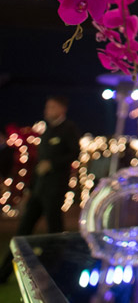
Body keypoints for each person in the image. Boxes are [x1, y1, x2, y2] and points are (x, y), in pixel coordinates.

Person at [0, 95, 80, 283]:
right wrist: (30, 188)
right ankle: (4, 273)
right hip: (39, 190)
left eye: (51, 107)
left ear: (61, 109)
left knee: (55, 233)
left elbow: (74, 153)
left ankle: (59, 272)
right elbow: (38, 163)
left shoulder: (68, 129)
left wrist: (52, 164)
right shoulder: (46, 130)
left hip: (54, 190)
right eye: (47, 106)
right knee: (23, 231)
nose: (47, 110)